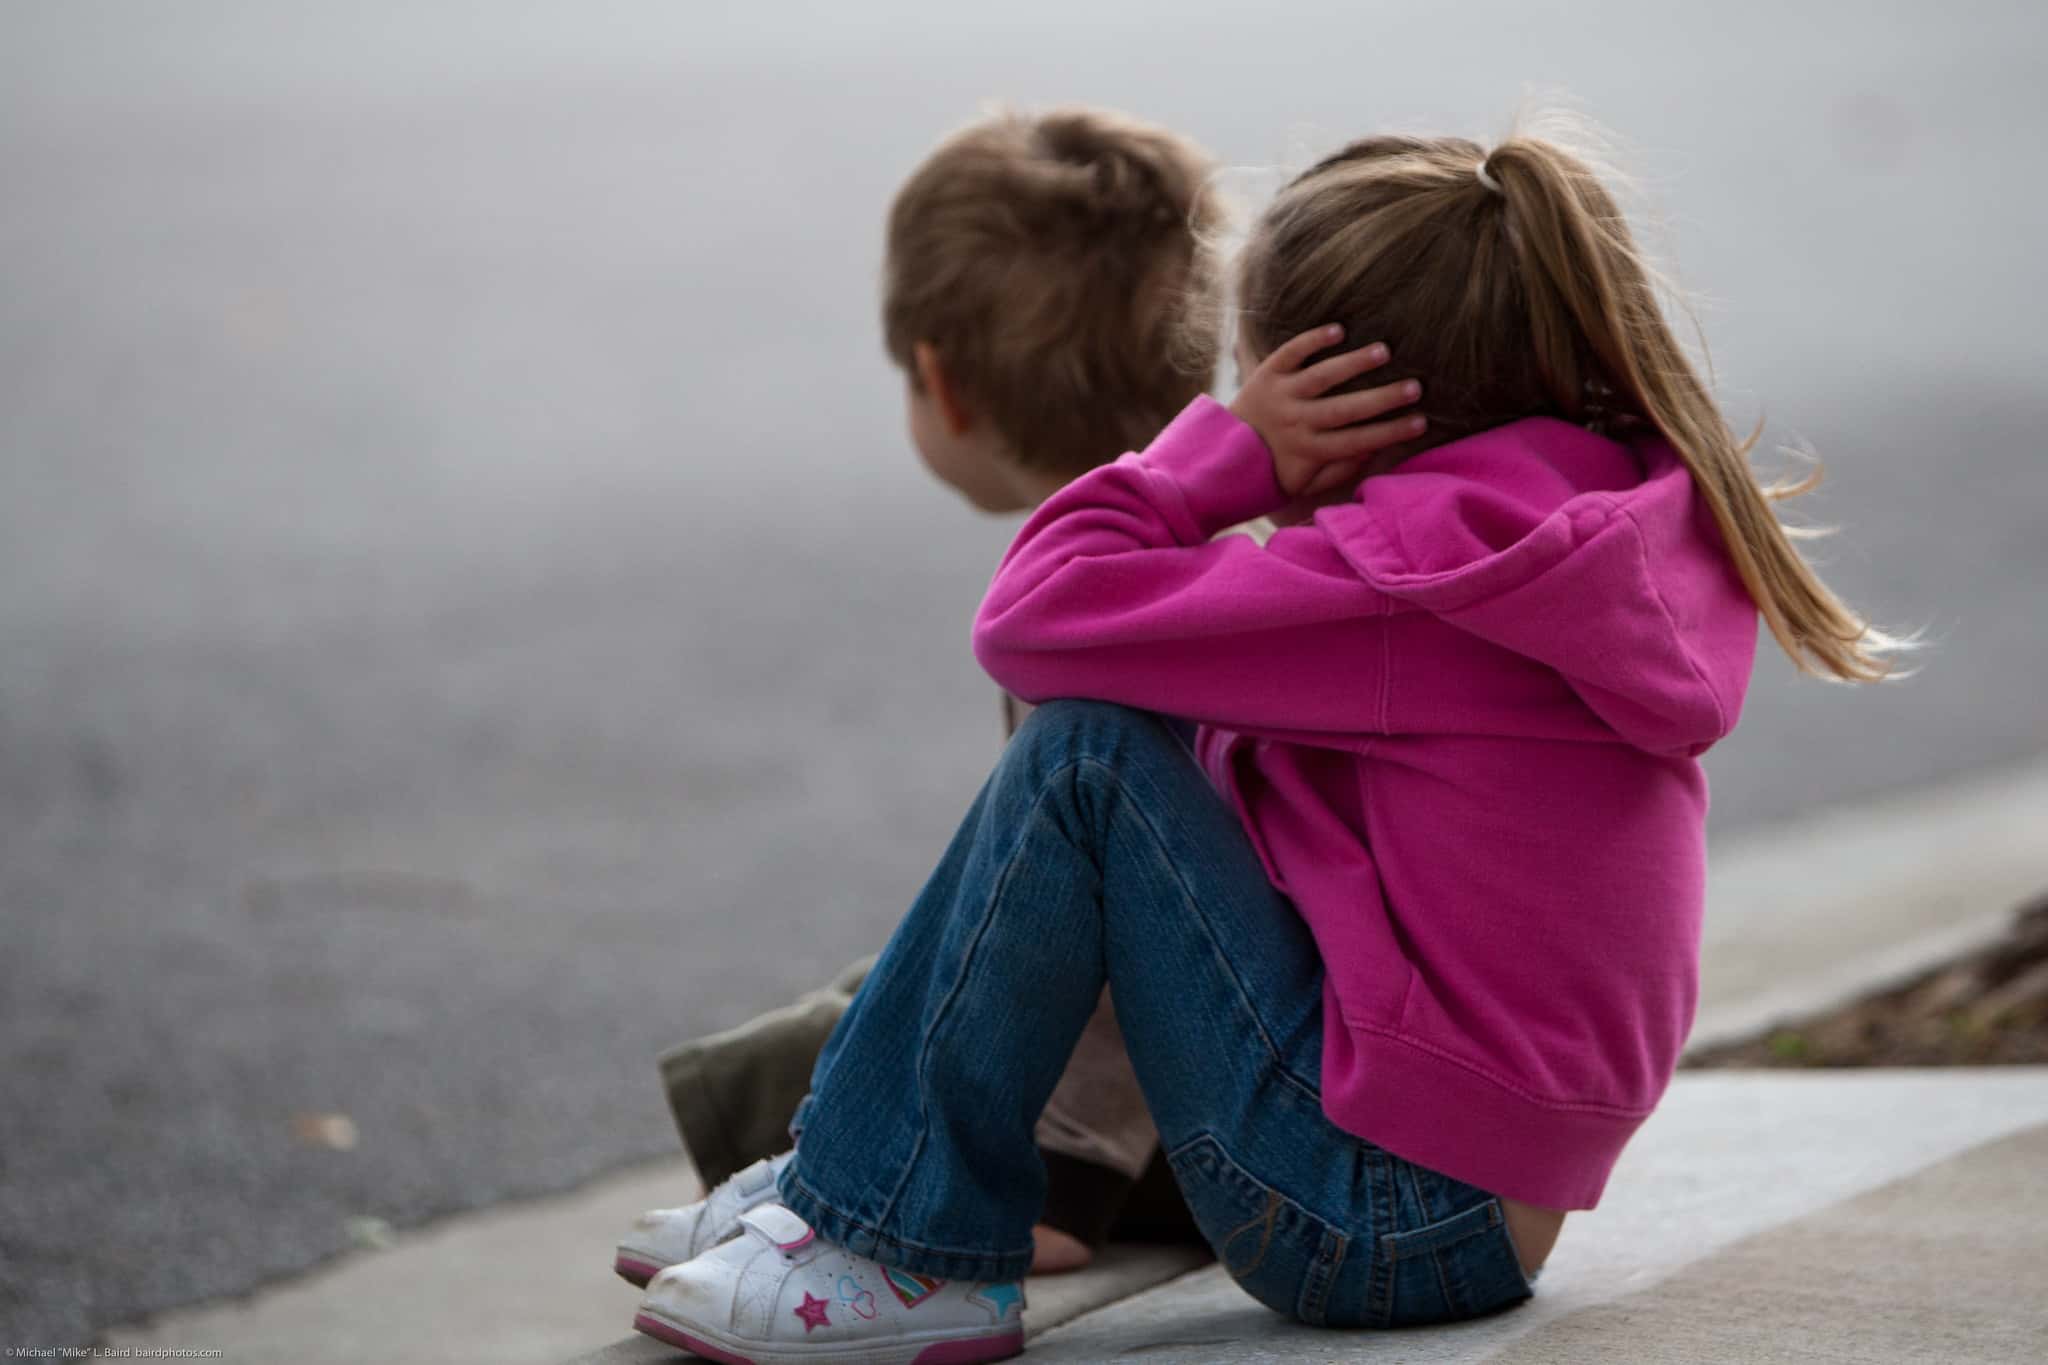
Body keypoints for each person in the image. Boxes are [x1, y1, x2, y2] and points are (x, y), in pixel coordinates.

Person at [631, 126, 1913, 1364]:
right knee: (1145, 737)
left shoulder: (1406, 588)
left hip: (1381, 1217)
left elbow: (1027, 619)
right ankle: (850, 1176)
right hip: (1456, 1201)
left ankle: (894, 1238)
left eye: (1249, 377)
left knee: (1084, 756)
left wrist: (1218, 461)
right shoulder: (1558, 532)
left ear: (1331, 396)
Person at [614, 104, 1237, 1293]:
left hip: (1193, 1115)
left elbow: (1124, 935)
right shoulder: (1220, 552)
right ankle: (814, 1144)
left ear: (942, 387)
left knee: (871, 1019)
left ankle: (829, 1164)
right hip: (1252, 1051)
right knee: (915, 969)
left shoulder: (1097, 609)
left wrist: (1064, 1177)